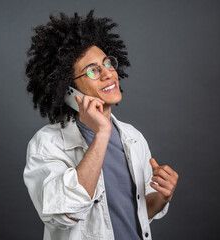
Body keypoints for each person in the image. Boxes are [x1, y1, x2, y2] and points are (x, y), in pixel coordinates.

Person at [23, 10, 178, 240]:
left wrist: (162, 197)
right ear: (67, 89)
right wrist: (101, 134)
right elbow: (65, 213)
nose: (108, 73)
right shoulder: (47, 144)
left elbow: (133, 214)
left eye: (108, 63)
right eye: (93, 70)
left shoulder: (133, 137)